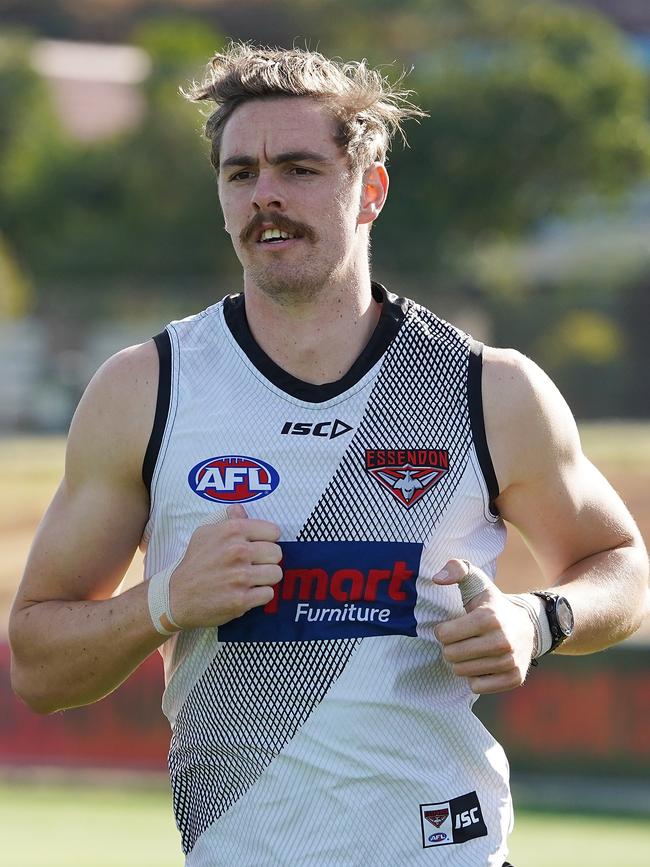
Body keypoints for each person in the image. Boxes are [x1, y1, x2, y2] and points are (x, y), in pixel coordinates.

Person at [9, 43, 648, 867]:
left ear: (370, 189)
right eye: (240, 174)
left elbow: (620, 563)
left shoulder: (486, 388)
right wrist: (164, 600)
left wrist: (540, 618)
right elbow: (36, 665)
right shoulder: (146, 389)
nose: (265, 194)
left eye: (299, 168)